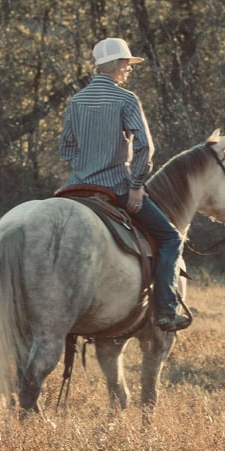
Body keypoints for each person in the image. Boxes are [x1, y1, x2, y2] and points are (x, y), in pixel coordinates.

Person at [59, 37, 190, 332]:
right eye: (127, 64)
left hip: (74, 188)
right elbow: (145, 147)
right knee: (171, 238)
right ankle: (165, 311)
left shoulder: (76, 101)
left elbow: (65, 148)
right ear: (117, 64)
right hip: (115, 187)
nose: (129, 70)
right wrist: (135, 184)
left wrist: (85, 165)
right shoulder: (125, 99)